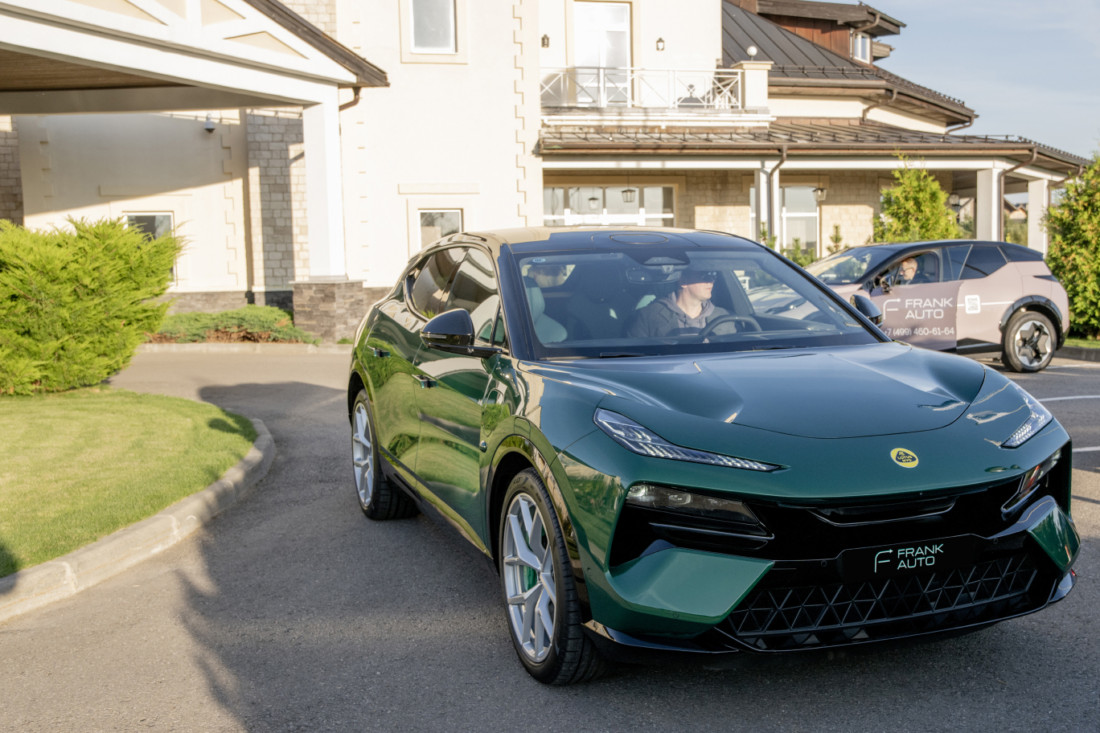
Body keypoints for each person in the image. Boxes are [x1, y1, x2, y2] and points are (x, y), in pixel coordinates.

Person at [628, 267, 729, 338]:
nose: (711, 280)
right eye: (704, 276)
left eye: (713, 275)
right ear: (683, 281)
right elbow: (636, 356)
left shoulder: (723, 317)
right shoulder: (648, 316)